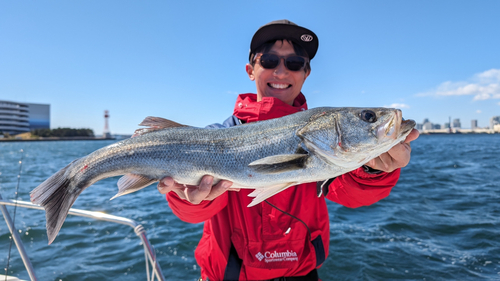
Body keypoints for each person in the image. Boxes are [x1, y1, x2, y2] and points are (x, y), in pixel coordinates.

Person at [158, 20, 419, 281]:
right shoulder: (215, 134)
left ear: (306, 73)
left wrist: (373, 169)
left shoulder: (326, 144)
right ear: (251, 70)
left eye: (294, 64)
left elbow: (352, 196)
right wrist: (188, 197)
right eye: (269, 61)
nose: (281, 72)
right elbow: (193, 213)